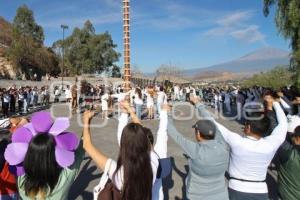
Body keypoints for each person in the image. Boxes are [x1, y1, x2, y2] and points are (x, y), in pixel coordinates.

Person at [83, 101, 166, 200]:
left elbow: (87, 145)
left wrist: (86, 121)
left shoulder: (118, 173)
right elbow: (143, 135)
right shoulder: (153, 161)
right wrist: (131, 111)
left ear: (123, 145)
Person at [217, 96, 288, 199]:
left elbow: (215, 125)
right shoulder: (271, 144)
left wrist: (198, 105)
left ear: (248, 127)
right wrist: (274, 104)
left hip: (237, 189)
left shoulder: (237, 141)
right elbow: (283, 124)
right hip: (261, 189)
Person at [4, 112, 84, 200]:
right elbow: (83, 147)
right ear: (55, 153)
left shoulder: (21, 180)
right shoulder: (66, 176)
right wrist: (86, 123)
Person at [167, 95, 230, 200]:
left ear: (198, 134)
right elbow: (211, 121)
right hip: (221, 195)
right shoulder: (223, 145)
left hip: (196, 196)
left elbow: (173, 133)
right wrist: (198, 104)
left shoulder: (196, 150)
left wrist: (168, 113)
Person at [277, 124, 300, 200]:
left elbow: (277, 138)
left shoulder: (288, 154)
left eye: (293, 135)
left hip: (286, 196)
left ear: (298, 138)